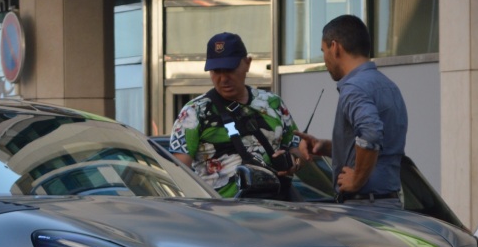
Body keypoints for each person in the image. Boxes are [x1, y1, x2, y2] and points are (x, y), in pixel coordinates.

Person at [168, 32, 301, 198]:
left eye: (230, 69)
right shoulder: (193, 113)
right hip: (221, 215)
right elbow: (178, 173)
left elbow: (298, 150)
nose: (223, 79)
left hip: (277, 209)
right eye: (216, 71)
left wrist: (293, 161)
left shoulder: (274, 103)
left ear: (247, 63)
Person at [299, 15, 407, 207]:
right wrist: (328, 147)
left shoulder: (353, 88)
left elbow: (371, 134)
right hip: (390, 203)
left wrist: (357, 178)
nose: (324, 59)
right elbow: (382, 144)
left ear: (335, 47)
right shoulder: (389, 86)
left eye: (323, 51)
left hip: (364, 208)